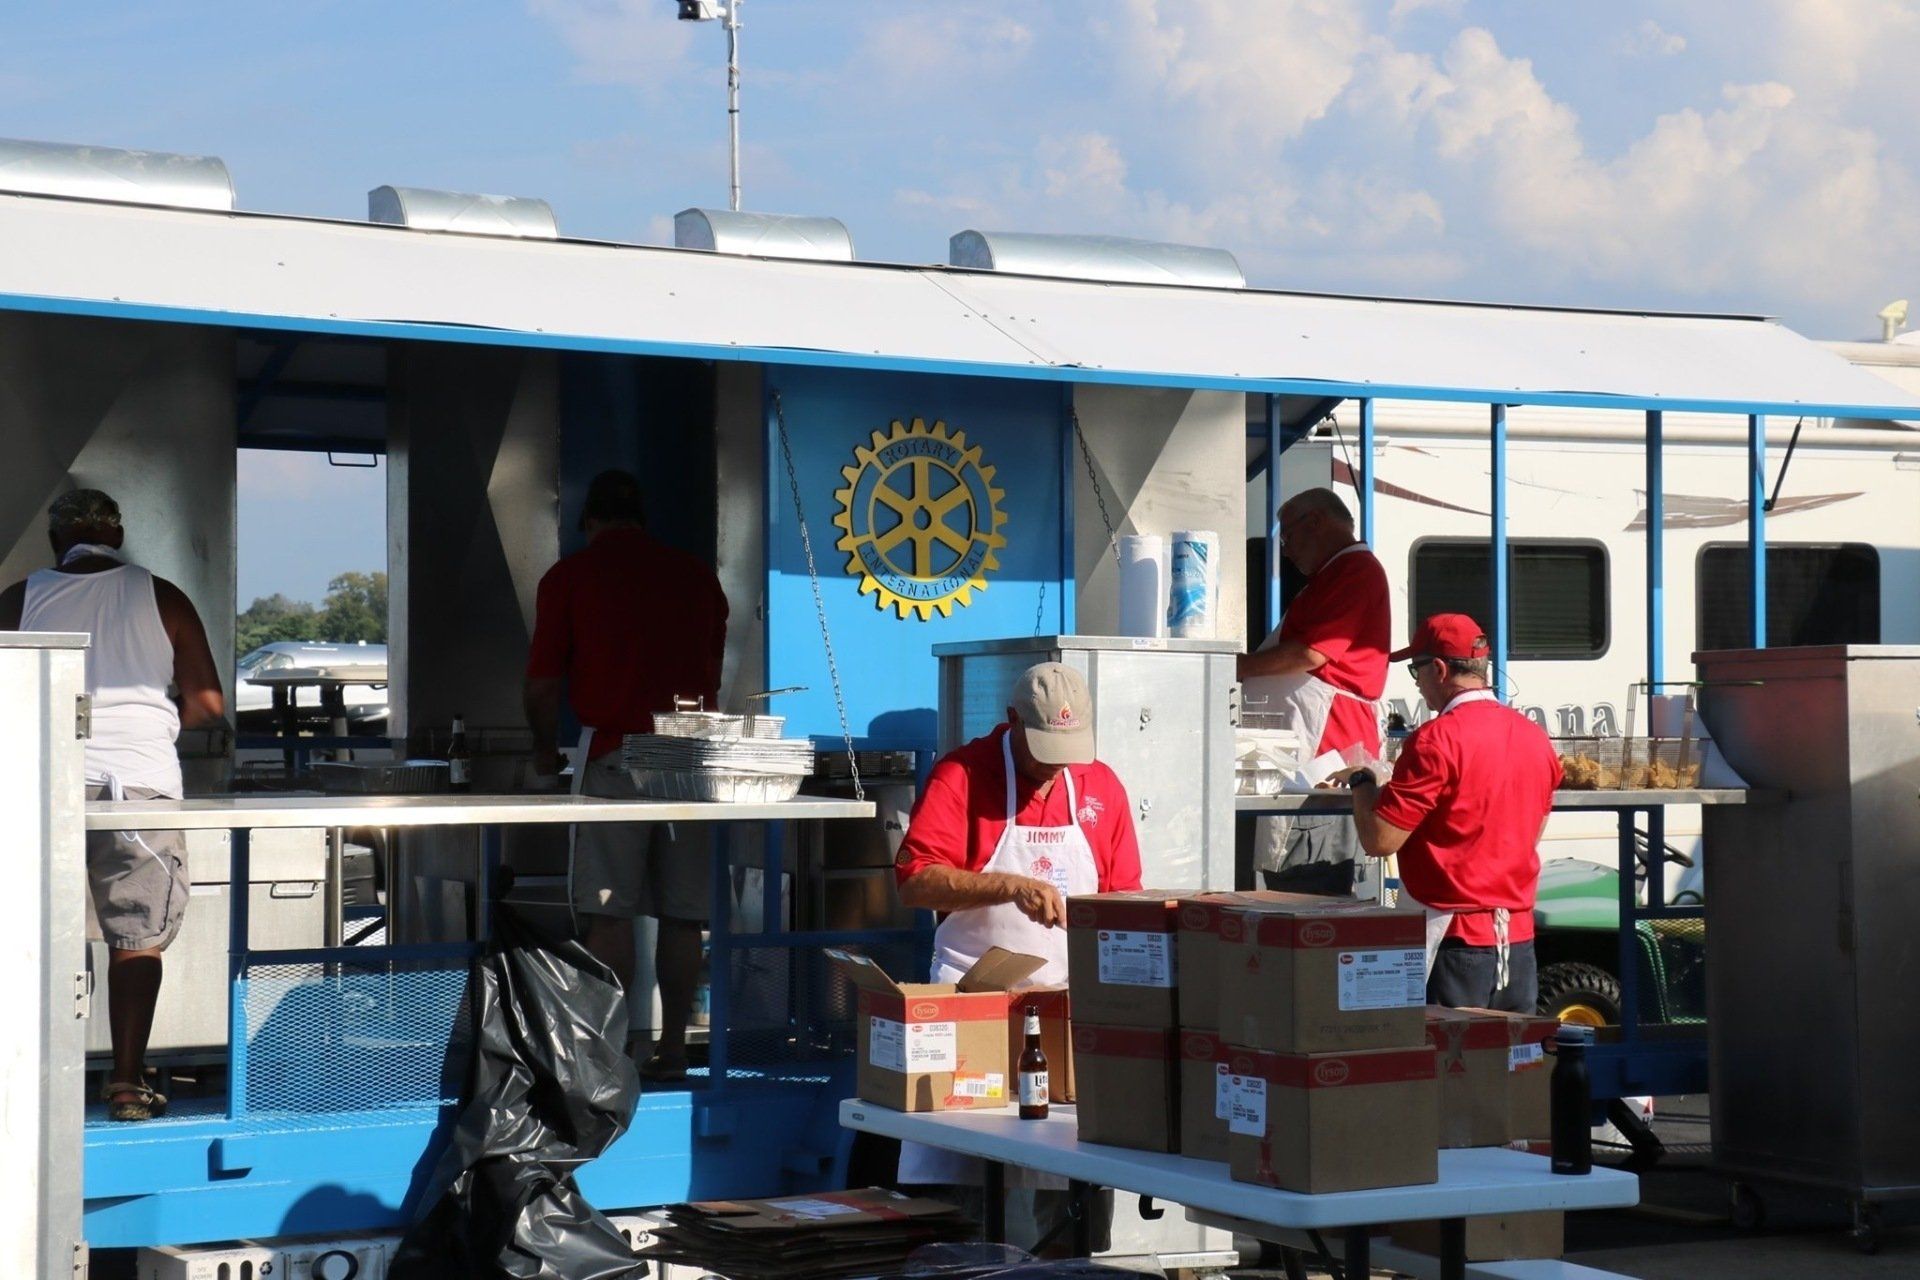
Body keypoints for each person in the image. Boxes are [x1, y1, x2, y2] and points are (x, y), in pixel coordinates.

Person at [893, 662, 1141, 1250]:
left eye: (1068, 751)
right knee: (960, 1206)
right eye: (1043, 752)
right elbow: (914, 881)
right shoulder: (961, 774)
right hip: (971, 1010)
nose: (1056, 768)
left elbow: (1126, 900)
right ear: (1010, 723)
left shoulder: (1100, 786)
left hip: (1064, 1018)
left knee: (1066, 1204)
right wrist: (1006, 884)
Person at [0, 489, 225, 1121]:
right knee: (136, 938)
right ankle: (127, 1083)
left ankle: (32, 1084)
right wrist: (154, 725)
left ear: (56, 541)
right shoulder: (164, 595)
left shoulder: (20, 597)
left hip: (43, 783)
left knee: (34, 936)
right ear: (118, 537)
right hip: (139, 785)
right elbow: (209, 704)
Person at [523, 469, 729, 1081]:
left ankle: (610, 1048)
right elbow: (712, 670)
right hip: (690, 758)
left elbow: (542, 682)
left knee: (609, 911)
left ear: (589, 521)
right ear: (641, 519)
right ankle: (671, 1047)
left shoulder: (570, 578)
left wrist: (541, 748)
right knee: (683, 913)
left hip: (614, 756)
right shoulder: (697, 578)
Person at [1334, 613, 1561, 1011]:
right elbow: (1533, 830)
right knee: (1509, 1068)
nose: (1418, 684)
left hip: (1453, 943)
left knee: (1448, 1068)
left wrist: (1363, 783)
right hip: (1518, 940)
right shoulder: (1535, 738)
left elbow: (1379, 840)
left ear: (1438, 669)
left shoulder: (1434, 740)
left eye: (1416, 671)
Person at [1237, 487, 1390, 896]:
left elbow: (1312, 653)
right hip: (1299, 759)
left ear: (1317, 522)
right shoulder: (1333, 575)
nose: (1285, 551)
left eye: (1286, 537)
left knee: (1307, 890)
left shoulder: (1356, 571)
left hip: (1322, 763)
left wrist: (1233, 668)